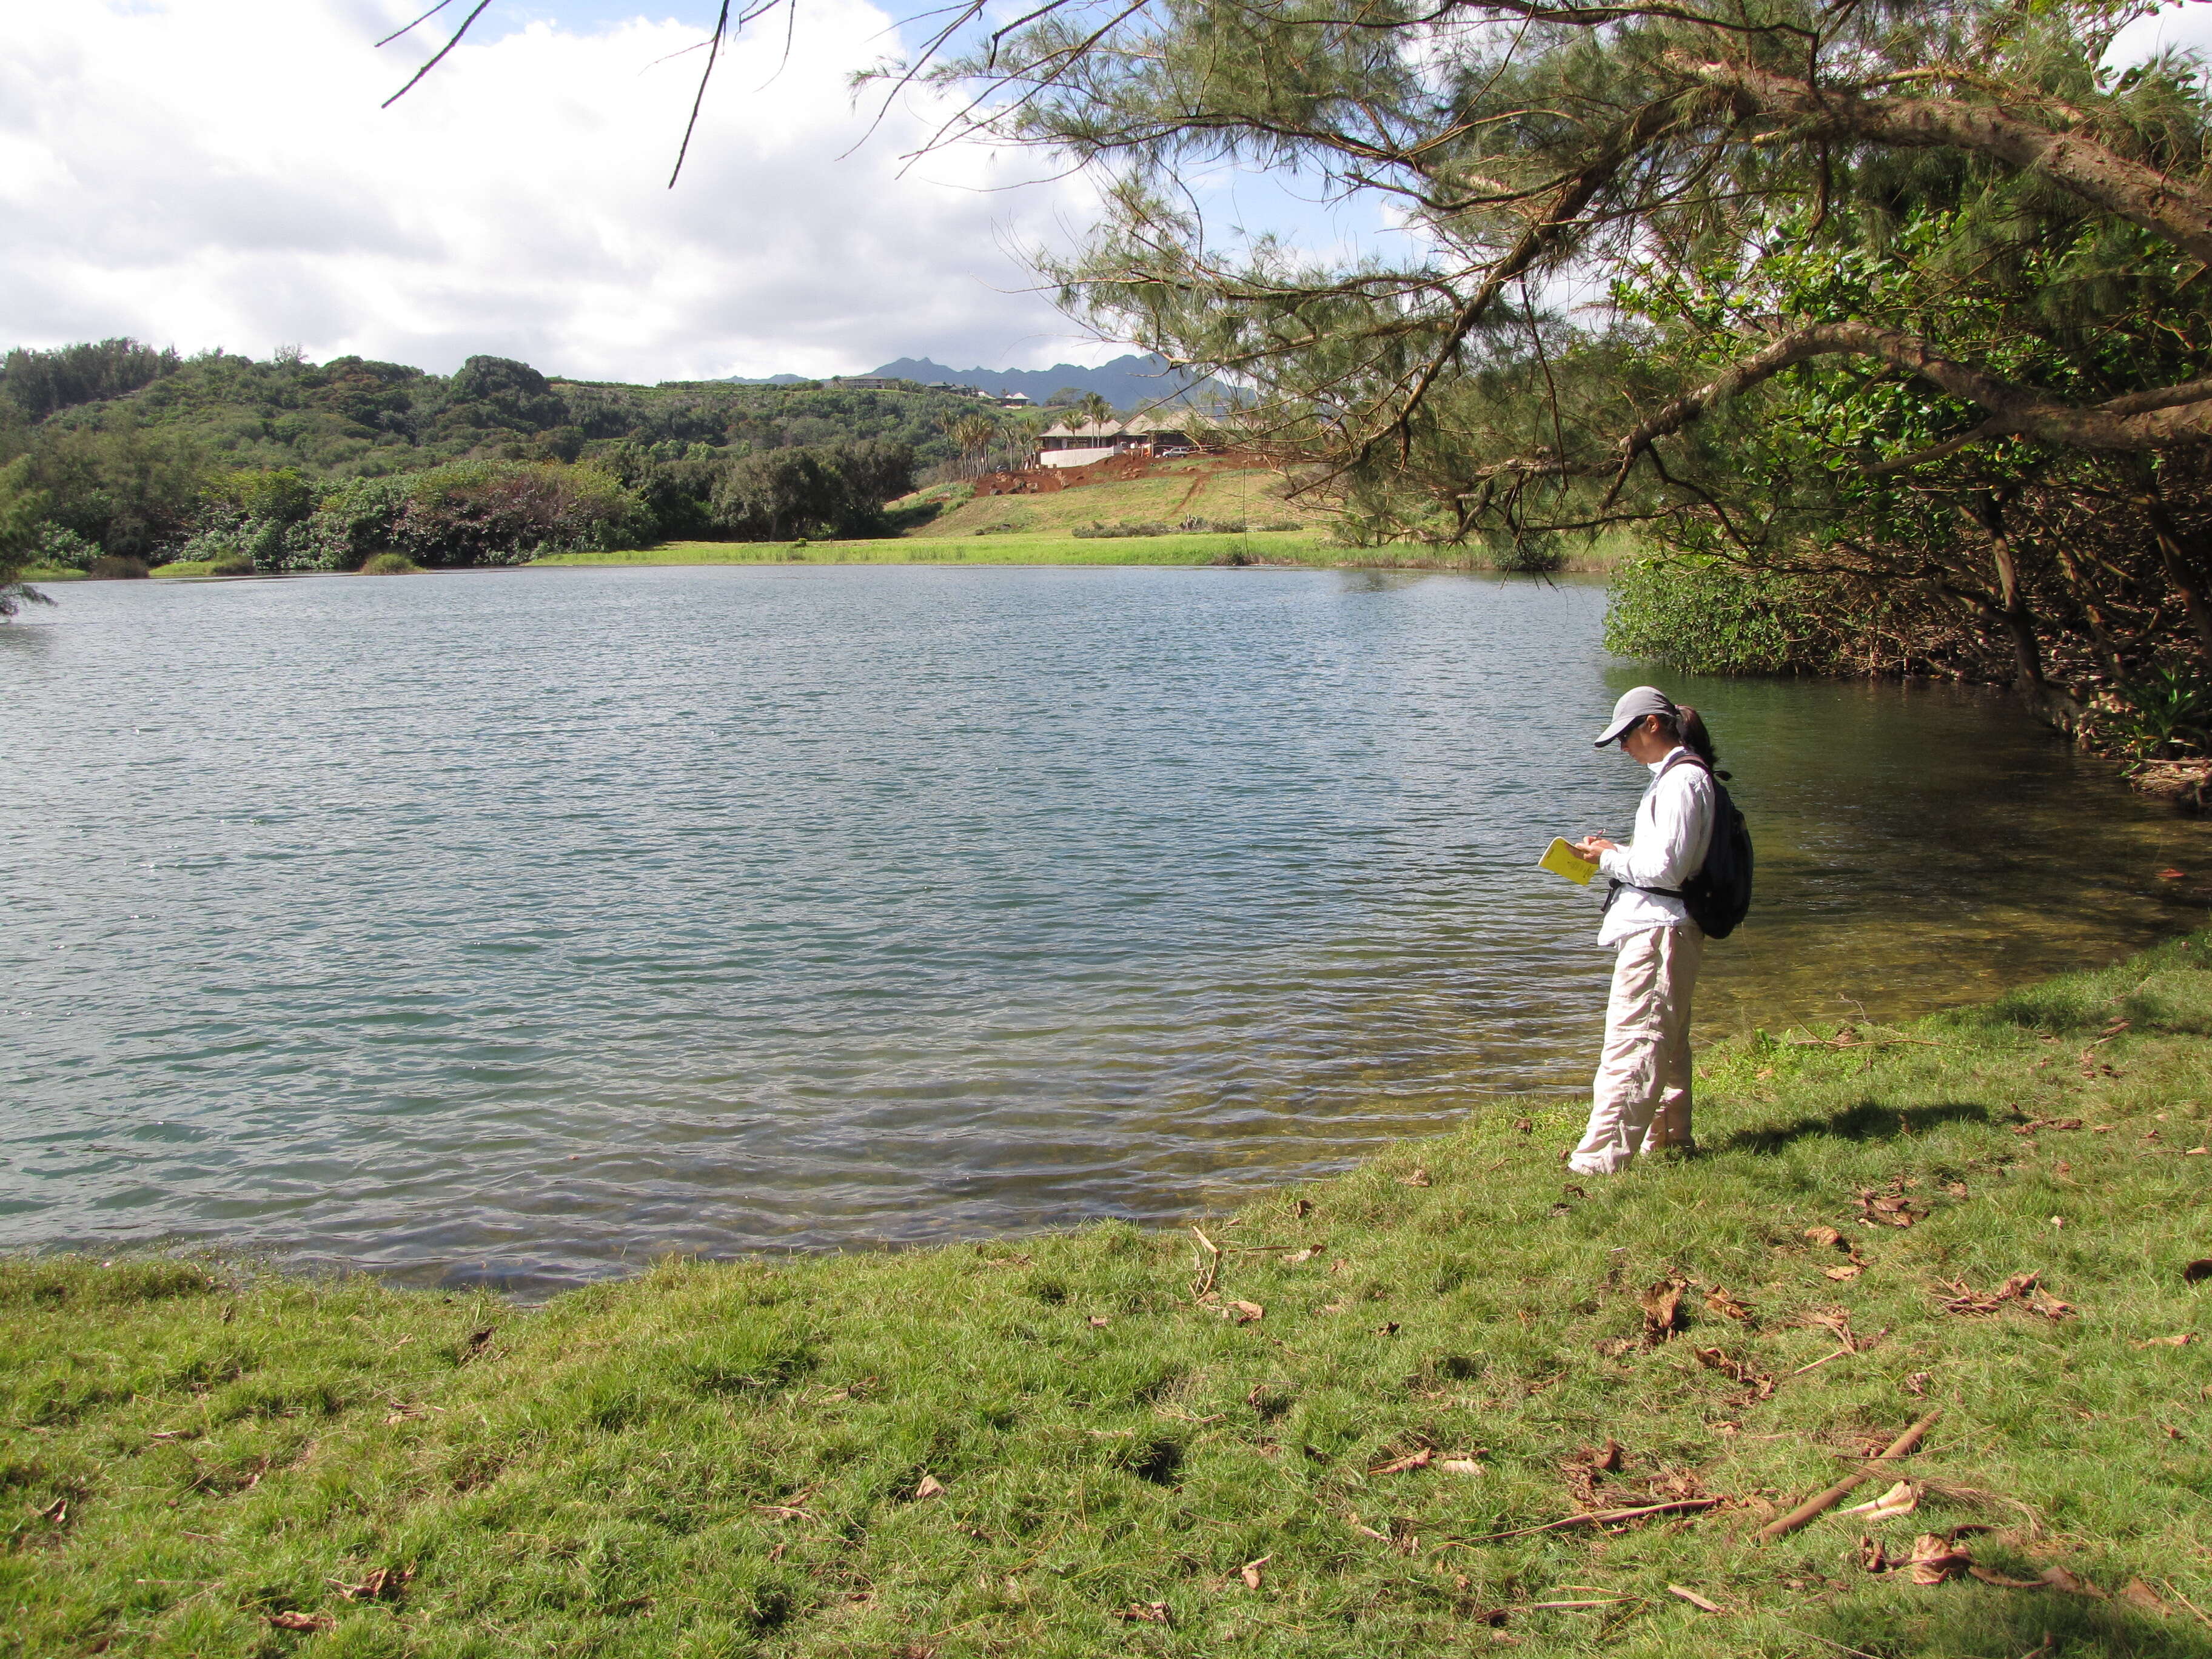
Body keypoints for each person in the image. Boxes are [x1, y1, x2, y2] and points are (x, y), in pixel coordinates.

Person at [1564, 686, 1723, 1175]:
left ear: (1653, 725)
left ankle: (1598, 1163)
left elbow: (1668, 869)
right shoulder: (1678, 777)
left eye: (1625, 735)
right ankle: (1671, 1141)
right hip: (1668, 928)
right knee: (1667, 1042)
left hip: (1659, 931)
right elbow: (1667, 858)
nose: (1622, 747)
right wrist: (1616, 851)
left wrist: (1607, 858)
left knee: (1633, 1044)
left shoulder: (1680, 781)